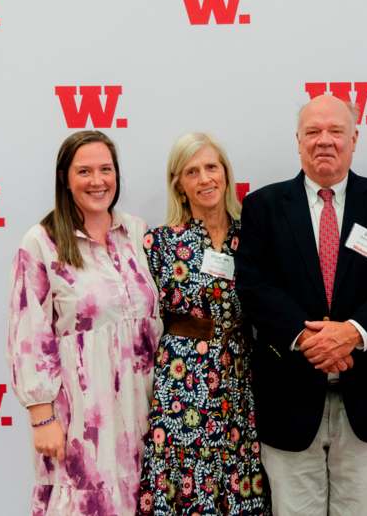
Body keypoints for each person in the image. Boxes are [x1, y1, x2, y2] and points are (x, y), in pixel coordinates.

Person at [234, 94, 367, 515]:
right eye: (313, 132)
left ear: (354, 138)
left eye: (335, 131)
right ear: (297, 141)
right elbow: (253, 283)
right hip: (288, 393)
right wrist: (306, 339)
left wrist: (352, 333)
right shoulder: (263, 207)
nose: (324, 141)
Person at [7, 130, 163, 515]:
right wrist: (42, 416)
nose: (98, 181)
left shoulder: (137, 233)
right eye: (85, 171)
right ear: (65, 178)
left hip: (143, 404)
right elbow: (29, 333)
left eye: (106, 169)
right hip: (81, 414)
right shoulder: (42, 242)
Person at [135, 132, 270, 515]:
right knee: (184, 474)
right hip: (182, 381)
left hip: (241, 376)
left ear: (226, 174)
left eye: (211, 167)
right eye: (191, 171)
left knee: (238, 468)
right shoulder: (158, 243)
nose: (204, 178)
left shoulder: (254, 236)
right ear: (178, 184)